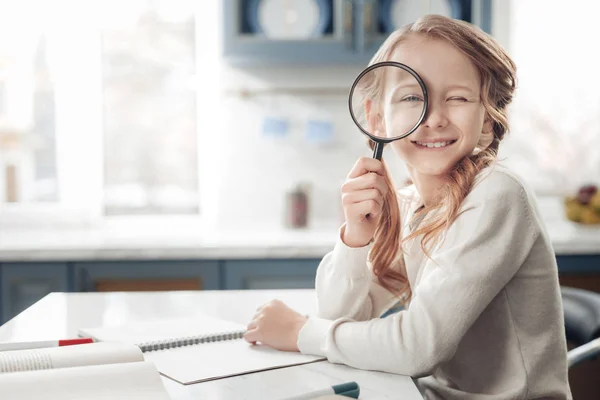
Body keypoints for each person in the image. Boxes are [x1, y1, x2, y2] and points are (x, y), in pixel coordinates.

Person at [243, 14, 572, 399]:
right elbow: (339, 318)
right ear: (377, 119)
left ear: (487, 120)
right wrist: (355, 238)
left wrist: (299, 332)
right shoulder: (412, 202)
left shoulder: (497, 194)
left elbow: (418, 346)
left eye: (458, 98)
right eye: (413, 98)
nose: (433, 118)